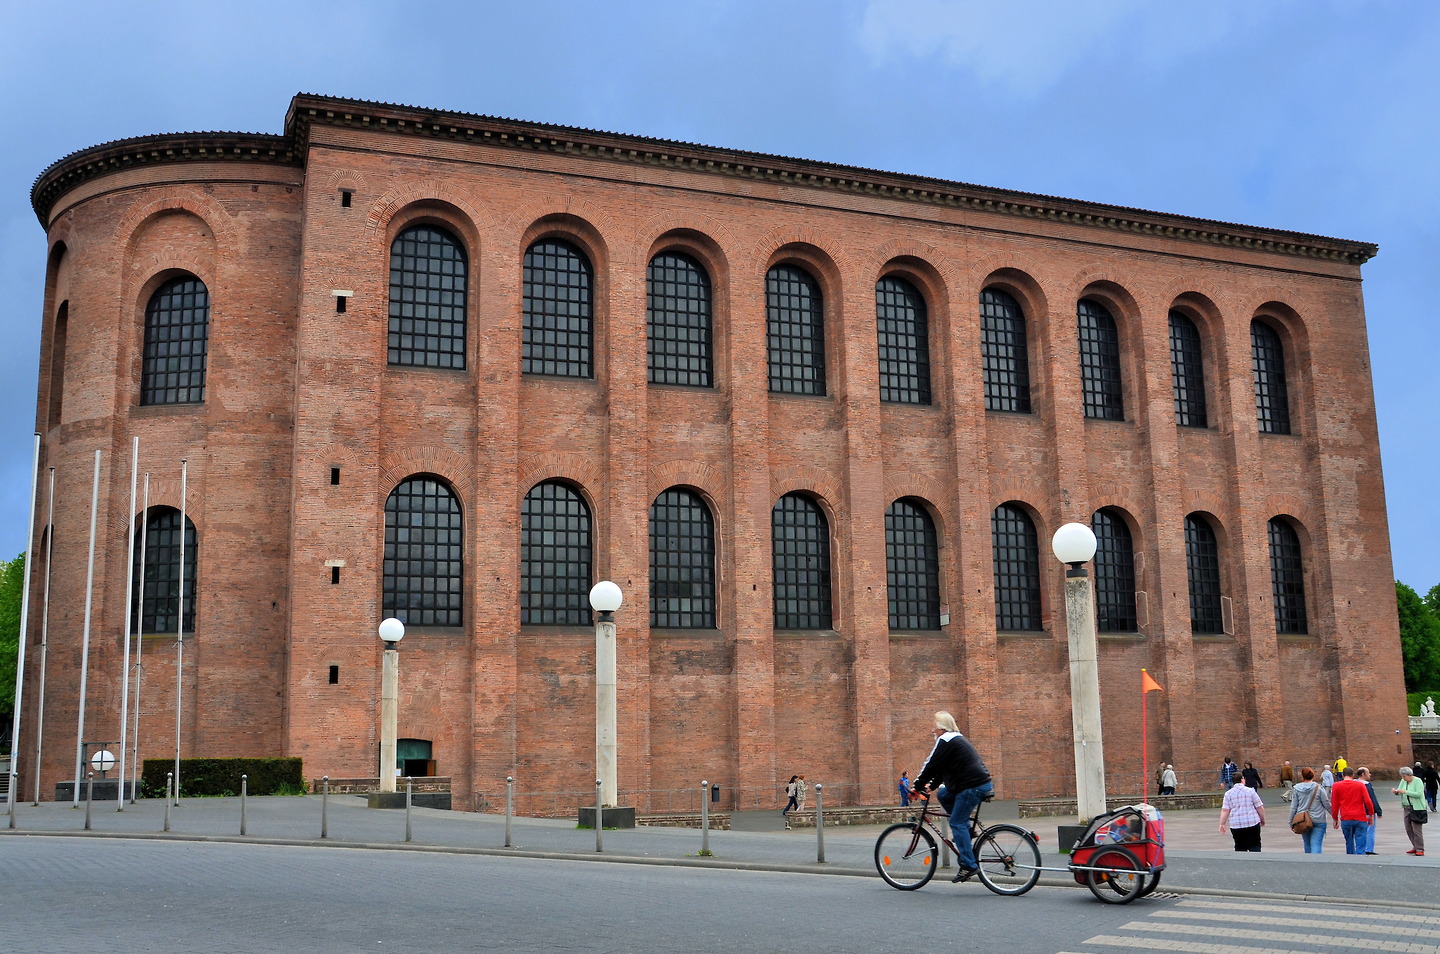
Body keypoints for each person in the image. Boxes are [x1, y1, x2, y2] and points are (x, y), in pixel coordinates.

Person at [913, 710, 993, 884]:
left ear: (941, 727)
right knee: (943, 794)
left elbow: (931, 765)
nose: (932, 730)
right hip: (974, 784)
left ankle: (969, 865)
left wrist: (917, 787)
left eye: (934, 726)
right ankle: (966, 831)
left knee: (956, 822)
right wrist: (931, 786)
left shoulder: (946, 740)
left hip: (972, 787)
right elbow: (942, 769)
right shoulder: (955, 739)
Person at [1330, 766, 1375, 855]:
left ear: (1342, 775)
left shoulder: (1336, 786)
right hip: (1360, 817)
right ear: (1353, 775)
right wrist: (1371, 814)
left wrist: (1335, 818)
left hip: (1346, 817)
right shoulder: (1360, 785)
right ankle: (1360, 858)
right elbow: (1368, 801)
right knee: (1361, 842)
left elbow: (1335, 804)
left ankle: (1350, 858)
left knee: (1349, 841)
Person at [1219, 773, 1265, 851]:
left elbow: (1225, 810)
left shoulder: (1228, 794)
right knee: (1255, 844)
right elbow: (1259, 807)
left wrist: (1222, 824)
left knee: (1240, 846)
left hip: (1236, 824)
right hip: (1252, 822)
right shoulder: (1251, 791)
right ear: (1242, 780)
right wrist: (1262, 819)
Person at [1289, 766, 1330, 853]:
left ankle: (1308, 860)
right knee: (1316, 844)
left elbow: (1293, 807)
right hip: (1318, 818)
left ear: (1302, 776)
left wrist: (1291, 821)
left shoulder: (1296, 789)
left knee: (1307, 843)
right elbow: (1326, 803)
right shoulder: (1318, 788)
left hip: (1303, 819)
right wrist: (1335, 816)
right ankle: (1316, 860)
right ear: (1313, 775)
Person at [1394, 765, 1427, 856]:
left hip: (1416, 808)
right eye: (1402, 776)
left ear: (1409, 775)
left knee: (1417, 830)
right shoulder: (1403, 781)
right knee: (1408, 828)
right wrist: (1396, 792)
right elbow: (1400, 791)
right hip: (1406, 807)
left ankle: (1420, 848)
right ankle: (1415, 846)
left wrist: (1406, 792)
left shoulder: (1418, 781)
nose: (1403, 778)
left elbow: (1419, 794)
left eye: (1404, 776)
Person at [1356, 767, 1382, 855]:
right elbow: (1372, 799)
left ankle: (1359, 848)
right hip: (1367, 811)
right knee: (1370, 831)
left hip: (1357, 811)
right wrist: (1378, 810)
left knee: (1359, 832)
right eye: (1368, 773)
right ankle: (1368, 848)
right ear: (1363, 774)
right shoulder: (1367, 785)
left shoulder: (1354, 783)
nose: (1370, 774)